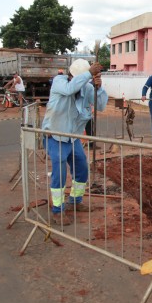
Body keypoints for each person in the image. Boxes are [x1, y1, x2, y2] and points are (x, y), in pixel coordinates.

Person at [41, 59, 103, 225]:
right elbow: (70, 90)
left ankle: (75, 201)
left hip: (72, 137)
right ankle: (58, 209)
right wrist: (89, 74)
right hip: (55, 136)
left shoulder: (86, 87)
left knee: (82, 168)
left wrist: (99, 88)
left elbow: (101, 105)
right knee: (59, 174)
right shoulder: (59, 82)